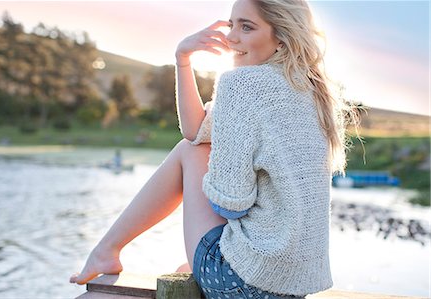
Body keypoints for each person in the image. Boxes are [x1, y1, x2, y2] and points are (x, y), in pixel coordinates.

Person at [70, 0, 361, 298]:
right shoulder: (313, 91)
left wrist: (219, 169)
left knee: (188, 152)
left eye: (246, 27)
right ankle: (113, 249)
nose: (231, 37)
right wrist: (184, 60)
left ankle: (108, 248)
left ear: (282, 38)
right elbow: (197, 130)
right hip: (293, 287)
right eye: (231, 24)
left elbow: (230, 204)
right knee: (193, 156)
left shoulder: (243, 84)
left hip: (244, 282)